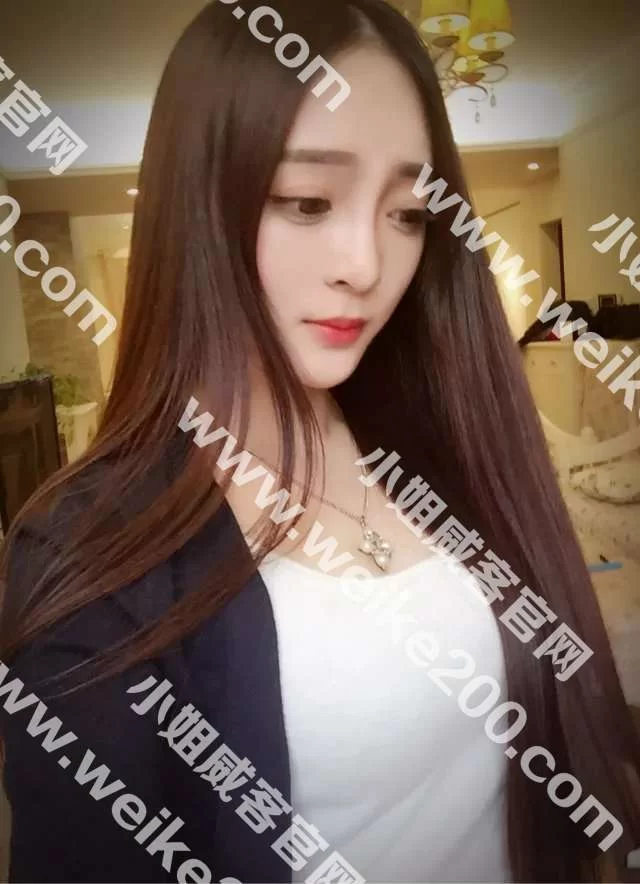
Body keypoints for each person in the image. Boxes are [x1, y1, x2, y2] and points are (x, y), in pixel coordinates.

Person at [1, 1, 639, 882]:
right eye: (307, 202)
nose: (366, 265)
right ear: (195, 209)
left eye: (408, 212)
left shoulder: (440, 441)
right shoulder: (90, 552)